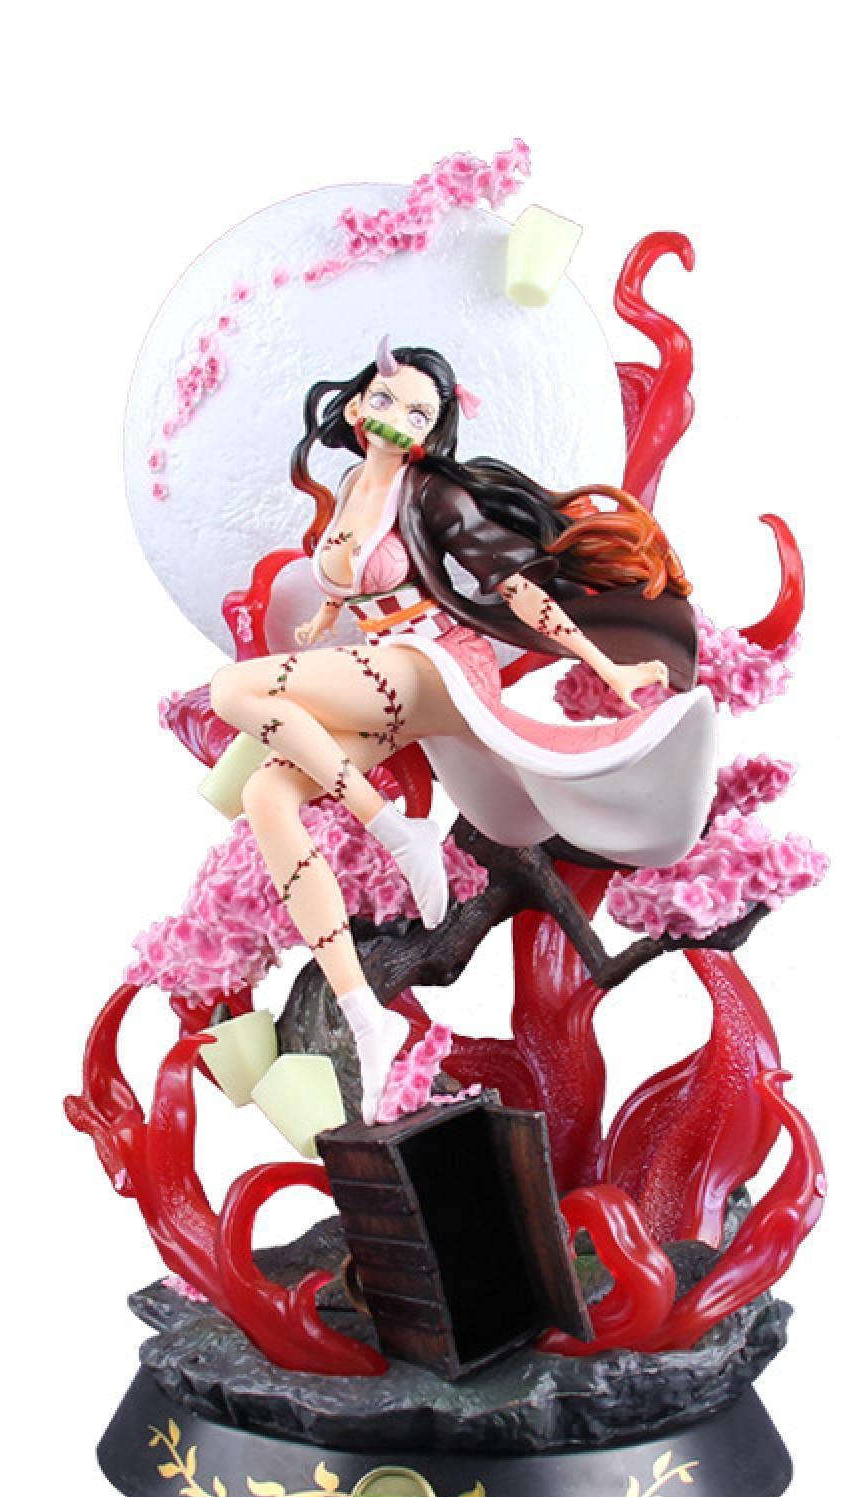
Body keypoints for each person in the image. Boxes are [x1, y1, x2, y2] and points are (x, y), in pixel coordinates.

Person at [209, 340, 716, 1121]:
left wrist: (604, 666)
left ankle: (392, 829)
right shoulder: (349, 484)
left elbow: (515, 590)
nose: (399, 419)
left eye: (419, 413)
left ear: (433, 431)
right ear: (358, 406)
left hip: (432, 664)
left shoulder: (433, 493)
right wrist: (321, 618)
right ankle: (366, 1018)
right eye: (388, 401)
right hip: (381, 672)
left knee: (233, 689)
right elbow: (348, 579)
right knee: (268, 796)